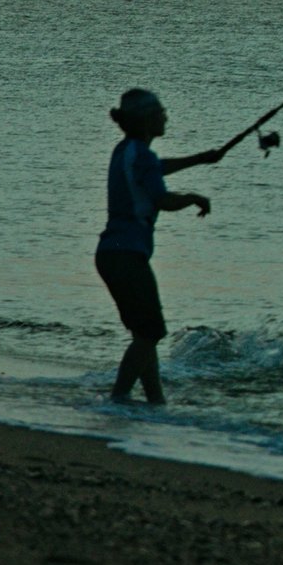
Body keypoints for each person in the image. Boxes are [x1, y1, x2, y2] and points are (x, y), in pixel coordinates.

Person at [96, 88, 222, 406]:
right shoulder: (142, 156)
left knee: (144, 333)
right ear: (147, 120)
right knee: (151, 332)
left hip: (111, 254)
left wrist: (201, 159)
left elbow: (155, 168)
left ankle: (155, 401)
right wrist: (193, 197)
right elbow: (162, 200)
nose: (166, 115)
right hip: (128, 255)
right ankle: (119, 398)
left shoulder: (124, 151)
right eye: (161, 112)